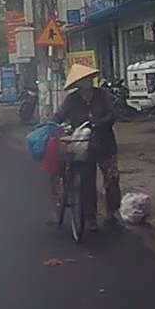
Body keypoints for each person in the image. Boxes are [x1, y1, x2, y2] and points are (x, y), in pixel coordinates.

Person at [52, 63, 121, 230]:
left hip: (105, 143)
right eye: (84, 80)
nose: (88, 82)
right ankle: (90, 217)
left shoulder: (102, 95)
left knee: (112, 179)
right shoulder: (72, 100)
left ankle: (111, 212)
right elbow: (58, 117)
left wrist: (99, 123)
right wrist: (53, 126)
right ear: (78, 83)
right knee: (86, 183)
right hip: (82, 147)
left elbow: (112, 115)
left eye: (89, 79)